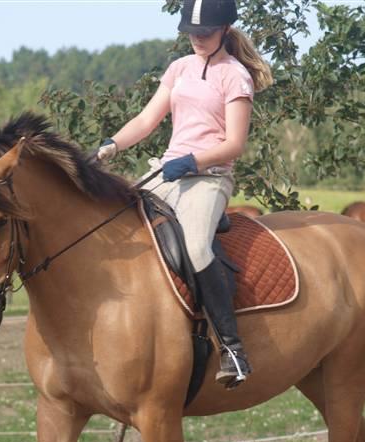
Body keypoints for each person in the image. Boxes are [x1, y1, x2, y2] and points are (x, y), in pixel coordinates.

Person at [97, 0, 272, 389]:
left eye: (204, 33)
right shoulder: (179, 68)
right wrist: (112, 145)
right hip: (167, 171)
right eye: (191, 33)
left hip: (209, 178)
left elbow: (234, 144)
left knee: (195, 248)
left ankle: (232, 349)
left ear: (225, 28)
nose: (196, 39)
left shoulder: (235, 76)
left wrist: (194, 162)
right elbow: (146, 120)